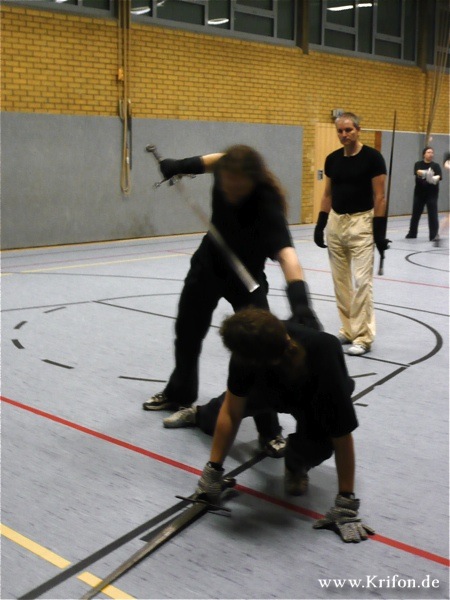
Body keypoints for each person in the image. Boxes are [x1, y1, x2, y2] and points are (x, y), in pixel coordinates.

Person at [143, 145, 321, 457]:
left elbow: (287, 256)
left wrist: (301, 303)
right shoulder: (226, 169)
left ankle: (269, 430)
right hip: (208, 266)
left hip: (246, 279)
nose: (229, 190)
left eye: (237, 186)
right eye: (226, 184)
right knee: (187, 332)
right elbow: (214, 160)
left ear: (252, 180)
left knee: (261, 350)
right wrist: (180, 164)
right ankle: (179, 392)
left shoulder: (267, 204)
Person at [192, 307, 374, 543]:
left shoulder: (323, 351)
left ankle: (296, 463)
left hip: (312, 397)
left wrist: (346, 504)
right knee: (216, 415)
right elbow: (231, 411)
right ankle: (198, 414)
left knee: (319, 445)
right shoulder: (246, 350)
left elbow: (342, 434)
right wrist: (213, 470)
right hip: (268, 390)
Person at [314, 112, 388, 356]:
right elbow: (327, 194)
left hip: (362, 223)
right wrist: (320, 224)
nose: (344, 134)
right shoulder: (332, 159)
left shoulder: (373, 158)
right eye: (340, 131)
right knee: (341, 282)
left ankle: (363, 337)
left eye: (349, 130)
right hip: (336, 223)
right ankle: (348, 330)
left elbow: (380, 196)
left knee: (362, 282)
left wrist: (379, 231)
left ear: (358, 130)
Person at [405, 146, 442, 243]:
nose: (431, 154)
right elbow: (418, 171)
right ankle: (412, 233)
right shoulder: (418, 164)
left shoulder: (436, 165)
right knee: (415, 214)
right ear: (424, 154)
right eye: (428, 152)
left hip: (432, 194)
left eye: (432, 152)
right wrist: (427, 174)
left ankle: (433, 235)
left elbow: (439, 176)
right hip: (419, 194)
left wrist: (433, 178)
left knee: (433, 215)